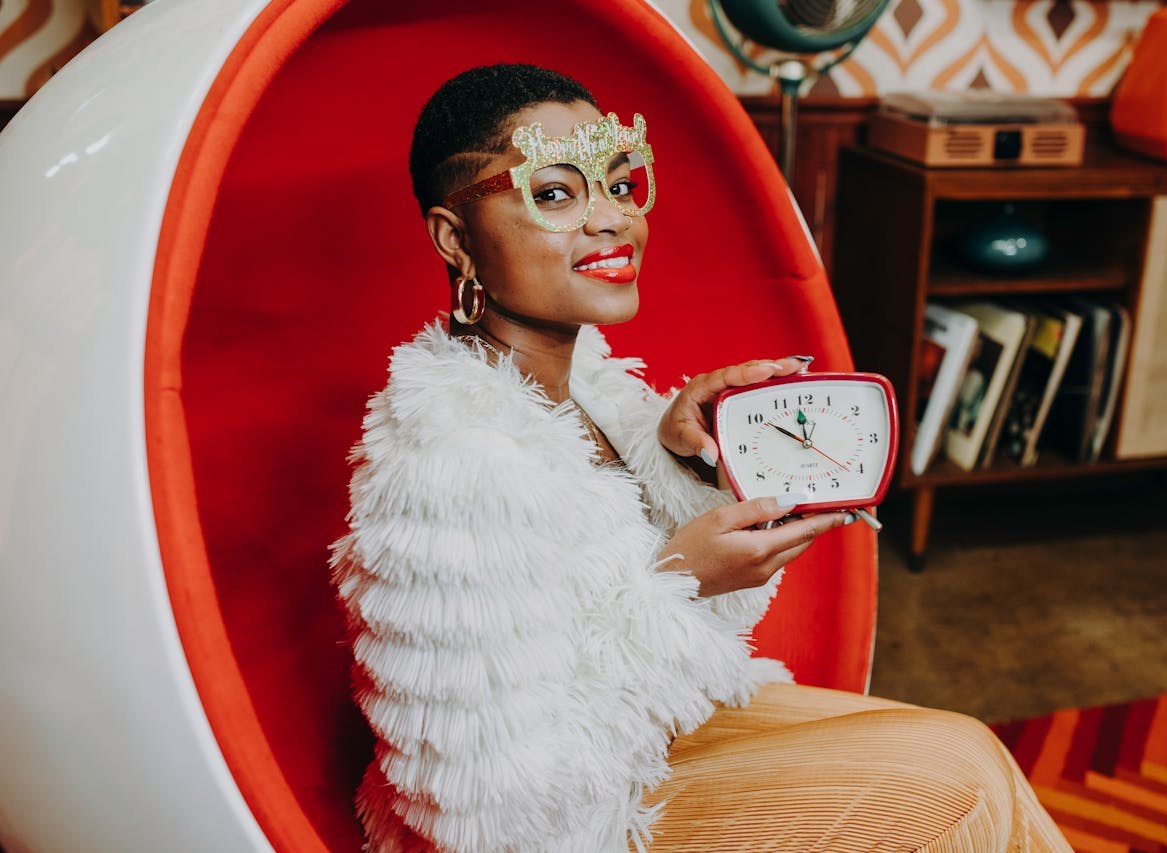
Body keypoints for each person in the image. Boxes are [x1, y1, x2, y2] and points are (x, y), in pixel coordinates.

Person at [331, 64, 1070, 853]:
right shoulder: (445, 461)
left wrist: (685, 461)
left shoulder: (592, 390)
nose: (611, 220)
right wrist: (678, 581)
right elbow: (490, 813)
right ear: (455, 238)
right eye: (555, 194)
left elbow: (632, 621)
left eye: (620, 185)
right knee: (960, 786)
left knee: (973, 751)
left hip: (650, 745)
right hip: (578, 826)